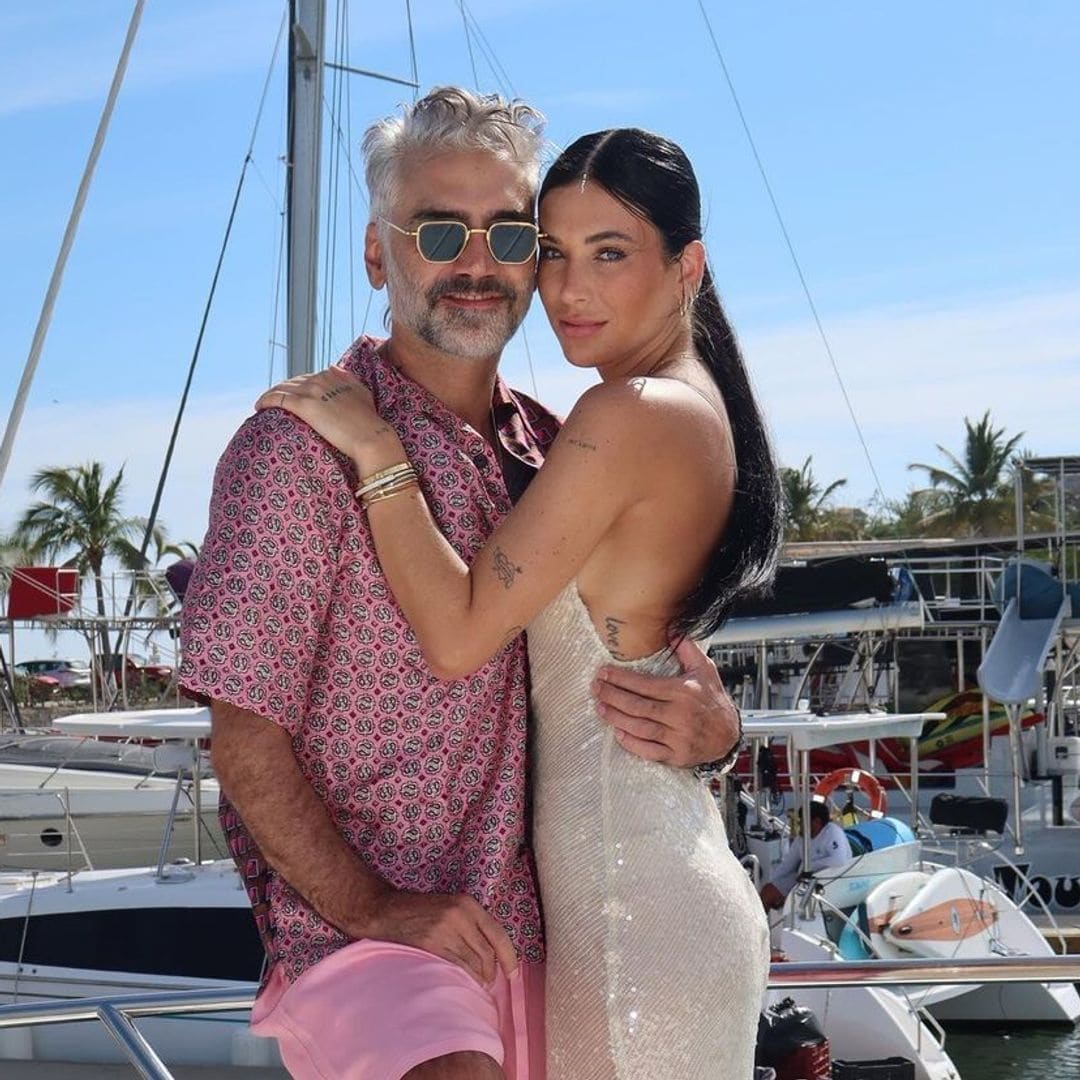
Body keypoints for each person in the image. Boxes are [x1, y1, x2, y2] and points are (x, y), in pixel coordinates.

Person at [180, 88, 745, 1080]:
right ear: (376, 255)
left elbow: (633, 647)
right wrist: (370, 907)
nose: (477, 263)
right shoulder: (296, 451)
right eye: (441, 230)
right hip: (371, 952)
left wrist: (719, 733)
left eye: (508, 233)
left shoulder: (558, 447)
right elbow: (245, 732)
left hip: (540, 939)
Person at [759, 800, 854, 911]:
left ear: (816, 821)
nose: (800, 825)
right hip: (804, 879)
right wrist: (772, 882)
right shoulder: (801, 839)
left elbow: (839, 861)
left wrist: (808, 867)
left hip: (832, 880)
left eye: (803, 821)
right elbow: (788, 865)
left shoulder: (833, 832)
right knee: (768, 892)